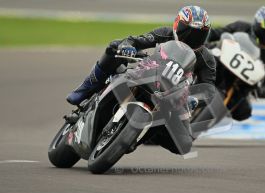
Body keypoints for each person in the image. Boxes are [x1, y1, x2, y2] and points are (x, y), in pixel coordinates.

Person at [66, 6, 216, 154]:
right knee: (114, 46)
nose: (191, 38)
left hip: (171, 97)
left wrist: (193, 98)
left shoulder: (206, 58)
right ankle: (84, 89)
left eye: (198, 35)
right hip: (145, 73)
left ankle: (144, 135)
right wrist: (127, 46)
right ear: (177, 25)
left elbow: (208, 89)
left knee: (184, 145)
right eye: (187, 31)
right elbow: (135, 40)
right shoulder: (165, 33)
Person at [207, 6, 265, 121]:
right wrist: (203, 41)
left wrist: (260, 90)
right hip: (221, 61)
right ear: (256, 25)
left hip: (242, 83)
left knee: (244, 112)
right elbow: (215, 33)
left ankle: (212, 120)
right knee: (203, 57)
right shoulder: (240, 27)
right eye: (264, 31)